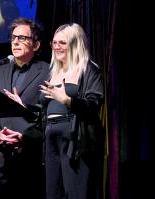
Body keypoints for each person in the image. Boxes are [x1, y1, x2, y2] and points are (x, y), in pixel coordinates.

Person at [40, 23, 105, 199]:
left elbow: (94, 103)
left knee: (77, 192)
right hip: (51, 137)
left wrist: (68, 100)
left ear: (75, 44)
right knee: (54, 193)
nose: (56, 47)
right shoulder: (52, 72)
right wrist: (21, 106)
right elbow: (43, 108)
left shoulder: (88, 69)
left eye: (62, 42)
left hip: (75, 139)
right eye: (54, 43)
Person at [0, 18, 50, 199]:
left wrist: (25, 137)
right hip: (1, 157)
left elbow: (48, 114)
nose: (15, 42)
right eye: (13, 37)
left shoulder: (47, 72)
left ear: (36, 45)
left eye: (22, 38)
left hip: (32, 157)